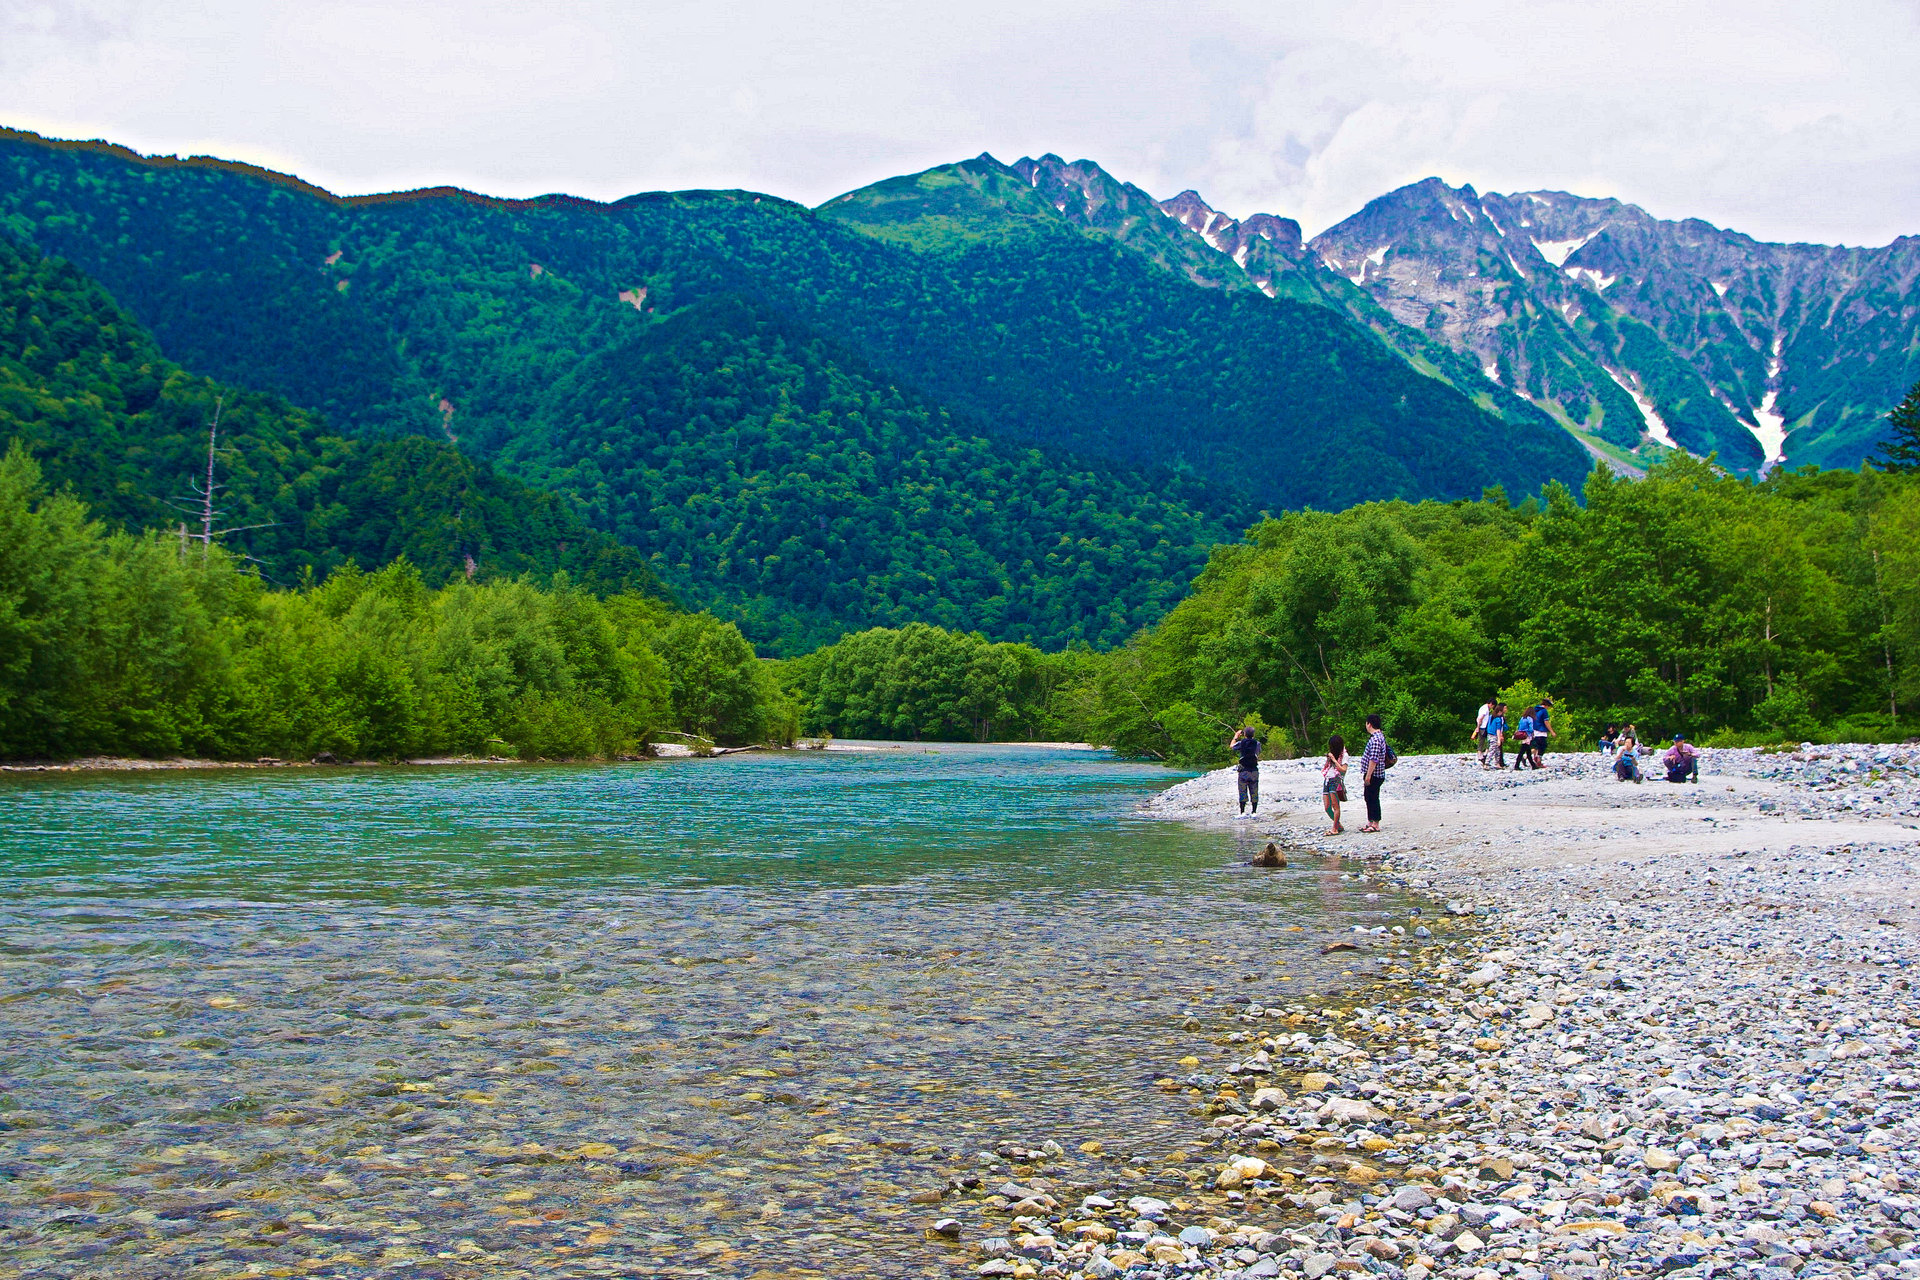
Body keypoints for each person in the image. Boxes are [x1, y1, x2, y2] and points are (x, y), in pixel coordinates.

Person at [1358, 714, 1391, 832]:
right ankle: (1370, 821)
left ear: (1369, 724)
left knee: (1373, 797)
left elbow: (1374, 759)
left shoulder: (1376, 739)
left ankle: (1375, 823)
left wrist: (1368, 775)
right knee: (1368, 797)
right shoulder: (1377, 737)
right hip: (1374, 773)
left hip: (1374, 774)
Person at [1230, 726, 1263, 815]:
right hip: (1254, 770)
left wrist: (1236, 737)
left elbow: (1232, 746)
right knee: (1254, 790)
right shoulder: (1257, 743)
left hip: (1243, 771)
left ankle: (1242, 812)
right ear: (1253, 734)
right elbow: (1258, 752)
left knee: (1242, 791)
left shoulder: (1241, 743)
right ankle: (1254, 812)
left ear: (1244, 734)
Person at [1321, 733, 1349, 835]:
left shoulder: (1344, 755)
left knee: (1335, 806)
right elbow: (1326, 768)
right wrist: (1329, 760)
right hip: (1328, 779)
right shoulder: (1333, 754)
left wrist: (1334, 760)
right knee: (1327, 807)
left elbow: (1343, 770)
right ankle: (1338, 825)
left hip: (1335, 780)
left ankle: (1335, 828)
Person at [1531, 698, 1555, 766]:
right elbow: (1546, 722)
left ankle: (1527, 757)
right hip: (1541, 731)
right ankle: (1539, 761)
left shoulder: (1535, 709)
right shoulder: (1544, 711)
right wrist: (1552, 731)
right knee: (1543, 746)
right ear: (1547, 705)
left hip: (1534, 730)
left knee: (1536, 746)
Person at [1473, 697, 1495, 766]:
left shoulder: (1484, 708)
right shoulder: (1485, 709)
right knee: (1482, 741)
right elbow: (1480, 718)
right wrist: (1478, 727)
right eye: (1493, 706)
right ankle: (1481, 755)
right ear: (1491, 704)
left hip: (1483, 726)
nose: (1492, 707)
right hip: (1483, 727)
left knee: (1482, 741)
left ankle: (1482, 755)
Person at [1485, 702, 1508, 769]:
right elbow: (1498, 730)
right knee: (1492, 750)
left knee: (1497, 750)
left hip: (1489, 735)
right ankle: (1486, 763)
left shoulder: (1491, 717)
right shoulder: (1498, 719)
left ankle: (1497, 763)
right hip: (1494, 736)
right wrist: (1499, 739)